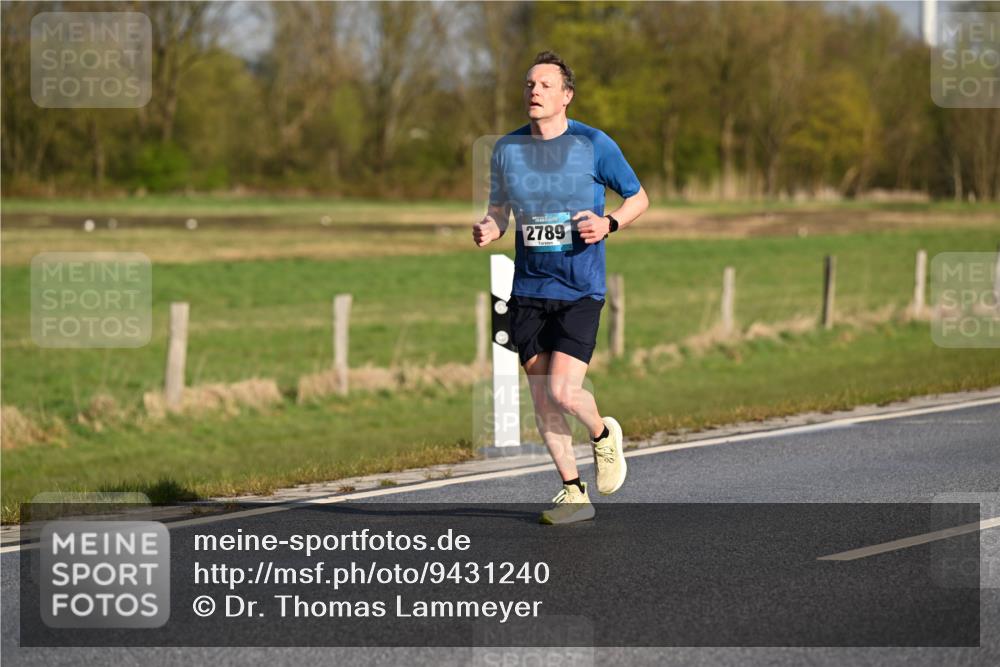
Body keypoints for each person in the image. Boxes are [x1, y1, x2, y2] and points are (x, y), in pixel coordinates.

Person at [472, 51, 649, 524]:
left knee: (565, 392)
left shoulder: (594, 145)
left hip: (579, 287)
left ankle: (602, 434)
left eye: (545, 85)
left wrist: (608, 223)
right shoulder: (507, 149)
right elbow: (501, 209)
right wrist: (491, 226)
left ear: (566, 95)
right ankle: (573, 491)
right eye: (529, 84)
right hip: (529, 287)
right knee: (542, 396)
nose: (534, 91)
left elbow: (639, 197)